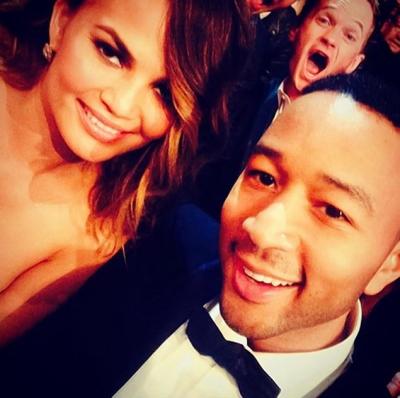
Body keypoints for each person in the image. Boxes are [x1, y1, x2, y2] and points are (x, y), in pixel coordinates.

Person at [113, 73, 400, 398]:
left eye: (333, 211)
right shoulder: (149, 246)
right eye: (264, 177)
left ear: (390, 263)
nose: (262, 230)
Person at [0, 0, 251, 345]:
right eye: (111, 53)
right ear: (61, 22)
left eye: (163, 92)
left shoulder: (97, 235)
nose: (121, 105)